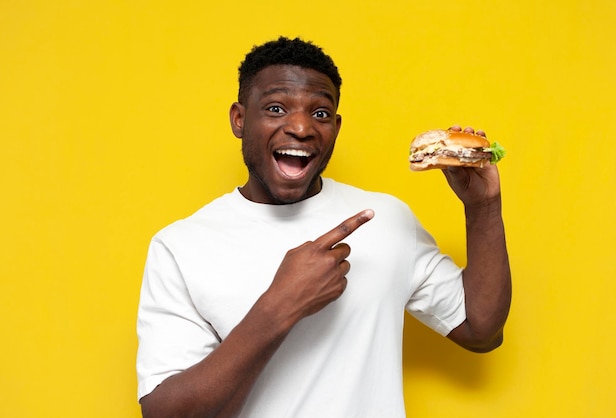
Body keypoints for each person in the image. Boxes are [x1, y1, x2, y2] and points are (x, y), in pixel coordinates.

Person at [136, 36, 511, 418]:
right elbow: (165, 413)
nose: (301, 127)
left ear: (336, 126)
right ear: (239, 118)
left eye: (320, 114)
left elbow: (480, 331)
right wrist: (280, 305)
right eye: (276, 108)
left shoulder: (386, 218)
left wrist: (483, 208)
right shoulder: (181, 246)